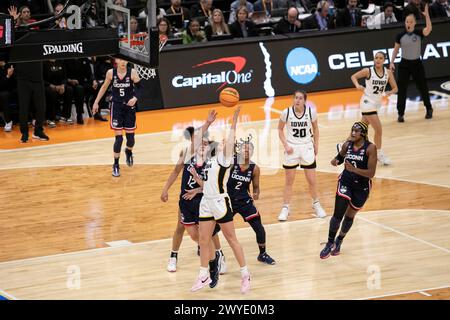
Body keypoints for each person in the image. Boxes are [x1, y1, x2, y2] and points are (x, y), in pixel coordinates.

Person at [189, 106, 251, 294]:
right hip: (206, 202)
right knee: (203, 238)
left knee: (231, 239)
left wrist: (234, 119)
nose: (222, 142)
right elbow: (197, 139)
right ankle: (203, 274)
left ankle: (245, 275)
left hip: (220, 202)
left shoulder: (224, 159)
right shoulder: (208, 160)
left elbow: (230, 139)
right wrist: (208, 122)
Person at [161, 124, 226, 274]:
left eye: (204, 141)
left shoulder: (212, 159)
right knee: (180, 227)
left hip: (203, 199)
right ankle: (173, 256)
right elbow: (175, 172)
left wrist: (197, 190)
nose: (200, 143)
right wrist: (165, 189)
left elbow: (213, 184)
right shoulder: (187, 154)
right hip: (186, 199)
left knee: (211, 231)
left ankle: (219, 254)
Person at [320, 122, 377, 258]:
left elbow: (371, 173)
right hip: (346, 181)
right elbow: (338, 159)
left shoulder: (370, 148)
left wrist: (354, 169)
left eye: (356, 131)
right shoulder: (347, 145)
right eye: (352, 130)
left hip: (362, 187)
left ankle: (339, 241)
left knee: (349, 216)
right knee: (337, 214)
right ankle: (329, 243)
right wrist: (334, 161)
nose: (353, 133)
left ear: (363, 133)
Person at [278, 90, 327, 221]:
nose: (298, 100)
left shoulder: (311, 112)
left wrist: (316, 144)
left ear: (305, 100)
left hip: (307, 147)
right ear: (293, 99)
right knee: (289, 180)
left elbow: (316, 129)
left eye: (300, 98)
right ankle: (285, 207)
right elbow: (279, 129)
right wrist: (286, 145)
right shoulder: (286, 112)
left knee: (311, 180)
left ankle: (316, 204)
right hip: (292, 148)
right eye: (296, 98)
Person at [227, 140, 276, 265]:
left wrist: (256, 194)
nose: (247, 151)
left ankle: (262, 254)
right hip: (229, 200)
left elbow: (256, 187)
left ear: (253, 152)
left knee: (260, 229)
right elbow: (227, 150)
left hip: (245, 202)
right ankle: (203, 245)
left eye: (249, 149)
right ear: (240, 150)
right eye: (244, 148)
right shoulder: (233, 162)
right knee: (215, 225)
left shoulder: (255, 169)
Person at [92, 58, 141, 177]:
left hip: (129, 109)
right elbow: (103, 87)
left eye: (125, 60)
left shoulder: (133, 73)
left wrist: (135, 98)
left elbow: (140, 88)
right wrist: (96, 102)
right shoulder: (111, 73)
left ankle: (128, 151)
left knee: (131, 139)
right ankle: (116, 164)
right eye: (120, 60)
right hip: (117, 108)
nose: (123, 62)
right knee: (119, 139)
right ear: (116, 61)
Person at [350, 52, 398, 165]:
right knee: (379, 129)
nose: (378, 60)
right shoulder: (368, 71)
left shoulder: (388, 73)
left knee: (360, 129)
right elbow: (353, 76)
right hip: (367, 102)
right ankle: (379, 155)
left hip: (377, 104)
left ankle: (343, 146)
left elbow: (395, 88)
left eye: (380, 58)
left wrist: (389, 92)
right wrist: (357, 85)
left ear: (384, 60)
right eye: (376, 58)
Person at [390, 3, 433, 122]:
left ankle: (429, 108)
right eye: (407, 22)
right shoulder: (400, 35)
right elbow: (395, 50)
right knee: (402, 89)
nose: (408, 23)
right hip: (404, 65)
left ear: (414, 22)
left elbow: (429, 29)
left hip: (417, 64)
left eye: (410, 21)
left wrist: (427, 15)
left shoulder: (419, 33)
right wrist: (392, 62)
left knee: (422, 87)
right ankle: (400, 113)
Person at [16, 61, 49, 142]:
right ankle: (24, 133)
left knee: (41, 106)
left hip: (38, 78)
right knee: (24, 108)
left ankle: (38, 131)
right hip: (23, 79)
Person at [43, 59, 74, 126]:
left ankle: (65, 116)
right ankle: (50, 118)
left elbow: (65, 77)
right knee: (51, 92)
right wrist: (53, 86)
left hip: (60, 86)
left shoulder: (61, 61)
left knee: (69, 90)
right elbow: (42, 79)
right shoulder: (43, 62)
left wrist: (63, 85)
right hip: (48, 86)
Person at [0, 61, 16, 132]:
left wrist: (11, 74)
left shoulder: (10, 65)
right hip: (2, 89)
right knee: (4, 95)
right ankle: (7, 120)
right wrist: (8, 76)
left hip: (12, 89)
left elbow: (15, 81)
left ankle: (8, 121)